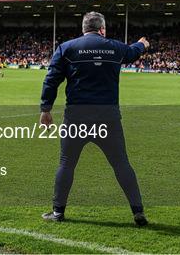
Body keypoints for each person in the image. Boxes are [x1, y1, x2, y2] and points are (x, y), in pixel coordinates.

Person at [39, 11, 150, 226]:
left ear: (83, 28)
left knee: (66, 163)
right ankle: (138, 212)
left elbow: (51, 79)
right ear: (102, 29)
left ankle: (58, 212)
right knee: (121, 164)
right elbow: (131, 52)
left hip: (76, 117)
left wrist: (46, 108)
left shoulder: (67, 47)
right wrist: (142, 45)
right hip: (108, 117)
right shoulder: (114, 47)